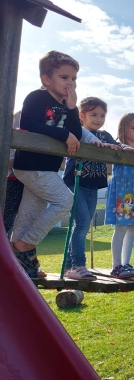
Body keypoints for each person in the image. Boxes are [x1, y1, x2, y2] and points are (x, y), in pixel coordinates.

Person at [10, 51, 82, 279]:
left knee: (29, 213)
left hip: (47, 169)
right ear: (46, 79)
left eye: (74, 79)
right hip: (31, 164)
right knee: (65, 201)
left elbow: (77, 135)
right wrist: (63, 134)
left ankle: (21, 261)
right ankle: (25, 245)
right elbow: (28, 123)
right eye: (64, 77)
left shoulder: (66, 105)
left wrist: (72, 108)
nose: (70, 83)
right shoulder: (37, 98)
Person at [60, 97, 120, 280]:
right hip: (75, 183)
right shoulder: (78, 132)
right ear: (81, 115)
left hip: (93, 186)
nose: (98, 119)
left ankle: (70, 267)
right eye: (93, 114)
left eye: (102, 115)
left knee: (84, 225)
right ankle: (78, 264)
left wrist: (132, 149)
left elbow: (117, 146)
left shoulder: (105, 135)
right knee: (82, 222)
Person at [105, 113, 134, 278]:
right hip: (124, 195)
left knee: (132, 228)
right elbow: (114, 150)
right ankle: (116, 265)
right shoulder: (118, 148)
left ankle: (126, 263)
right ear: (123, 129)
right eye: (133, 127)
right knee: (121, 228)